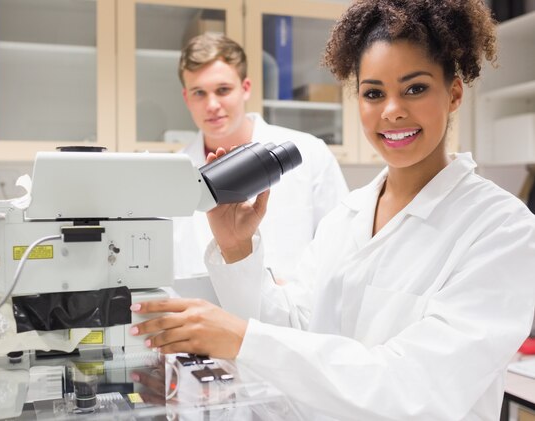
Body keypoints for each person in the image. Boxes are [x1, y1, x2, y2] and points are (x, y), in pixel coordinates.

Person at [131, 1, 535, 420]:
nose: (392, 110)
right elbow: (294, 326)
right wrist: (237, 249)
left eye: (415, 88)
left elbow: (416, 388)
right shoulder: (350, 214)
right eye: (373, 93)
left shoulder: (501, 228)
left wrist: (241, 338)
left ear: (453, 94)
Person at [172, 33, 348, 282]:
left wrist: (286, 293)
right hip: (203, 315)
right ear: (186, 98)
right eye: (199, 92)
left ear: (245, 89)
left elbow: (342, 248)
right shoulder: (171, 175)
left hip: (291, 316)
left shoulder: (309, 153)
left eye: (223, 90)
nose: (211, 104)